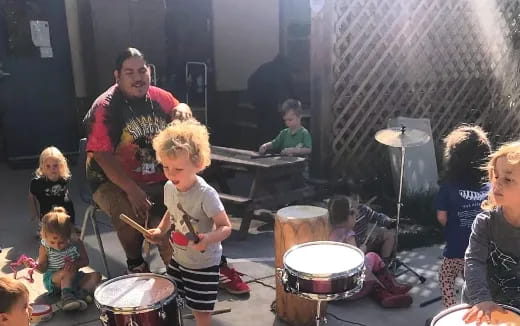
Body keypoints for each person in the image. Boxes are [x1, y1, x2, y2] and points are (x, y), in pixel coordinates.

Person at [83, 47, 192, 273]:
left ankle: (180, 272)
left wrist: (183, 108)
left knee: (179, 212)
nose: (138, 77)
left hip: (157, 176)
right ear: (117, 76)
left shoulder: (160, 97)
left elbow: (179, 107)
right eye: (129, 72)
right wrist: (131, 189)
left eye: (142, 70)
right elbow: (102, 156)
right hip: (109, 180)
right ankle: (136, 263)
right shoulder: (105, 107)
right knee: (127, 209)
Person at [146, 119, 232, 326]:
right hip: (179, 258)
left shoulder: (205, 194)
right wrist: (160, 229)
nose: (170, 174)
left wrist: (208, 239)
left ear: (197, 164)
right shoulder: (169, 187)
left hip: (203, 264)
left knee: (201, 312)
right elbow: (171, 211)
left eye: (178, 169)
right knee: (170, 300)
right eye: (166, 167)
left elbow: (225, 226)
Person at [462, 141, 520, 324]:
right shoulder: (485, 223)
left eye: (508, 179)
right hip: (481, 305)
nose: (497, 183)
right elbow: (474, 261)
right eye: (495, 176)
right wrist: (481, 299)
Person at [436, 125, 491, 308]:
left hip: (456, 250)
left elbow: (442, 218)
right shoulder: (490, 187)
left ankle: (451, 313)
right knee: (475, 282)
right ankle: (474, 309)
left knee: (446, 279)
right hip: (482, 251)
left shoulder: (447, 187)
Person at [328, 195, 412, 308]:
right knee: (372, 257)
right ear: (349, 216)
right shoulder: (348, 236)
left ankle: (385, 296)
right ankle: (391, 288)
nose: (356, 218)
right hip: (352, 289)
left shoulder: (330, 233)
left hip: (334, 290)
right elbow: (356, 262)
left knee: (368, 270)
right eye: (354, 215)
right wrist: (361, 250)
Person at [35, 207, 101, 311]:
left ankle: (80, 296)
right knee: (66, 272)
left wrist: (75, 264)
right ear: (45, 237)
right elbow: (42, 267)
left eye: (61, 242)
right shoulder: (45, 246)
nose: (57, 246)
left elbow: (85, 261)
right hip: (54, 280)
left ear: (69, 236)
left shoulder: (76, 243)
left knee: (96, 275)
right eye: (52, 242)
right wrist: (35, 266)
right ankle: (67, 298)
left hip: (73, 276)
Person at [29, 146, 75, 231]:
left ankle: (70, 225)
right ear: (42, 166)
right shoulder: (37, 182)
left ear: (61, 165)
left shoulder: (63, 178)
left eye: (55, 165)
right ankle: (44, 229)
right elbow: (31, 196)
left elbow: (65, 190)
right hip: (46, 205)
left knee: (69, 204)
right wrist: (34, 213)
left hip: (62, 203)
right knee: (47, 217)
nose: (52, 169)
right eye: (48, 166)